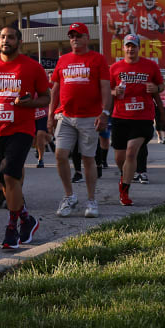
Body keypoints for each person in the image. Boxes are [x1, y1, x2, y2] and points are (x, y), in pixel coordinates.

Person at [0, 26, 50, 249]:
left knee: (10, 177)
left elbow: (46, 97)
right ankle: (27, 219)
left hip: (21, 129)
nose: (6, 40)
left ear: (20, 41)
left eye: (11, 37)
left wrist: (29, 104)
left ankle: (11, 228)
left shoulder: (32, 67)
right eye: (3, 37)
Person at [48, 23, 110, 218]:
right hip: (65, 116)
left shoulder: (98, 59)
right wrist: (50, 115)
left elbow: (105, 89)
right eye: (71, 36)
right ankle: (69, 197)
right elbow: (55, 90)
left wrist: (105, 113)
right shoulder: (63, 60)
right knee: (60, 155)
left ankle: (91, 200)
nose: (74, 39)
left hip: (89, 118)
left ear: (87, 38)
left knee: (88, 158)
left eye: (78, 35)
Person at [110, 34, 163, 206]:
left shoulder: (150, 66)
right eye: (128, 46)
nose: (130, 49)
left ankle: (124, 192)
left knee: (131, 151)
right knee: (120, 158)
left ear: (139, 48)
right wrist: (114, 92)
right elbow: (107, 90)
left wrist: (156, 87)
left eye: (134, 46)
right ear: (123, 48)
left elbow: (161, 86)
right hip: (120, 116)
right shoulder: (115, 68)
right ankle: (124, 176)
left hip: (143, 117)